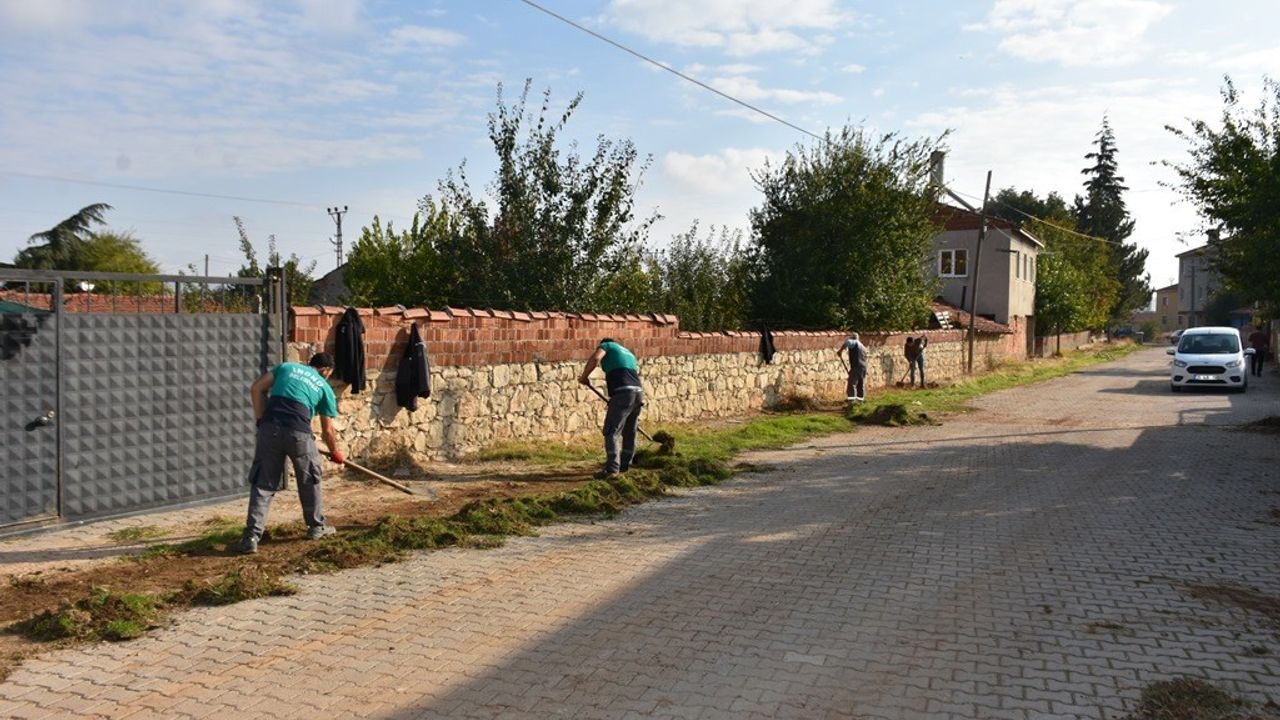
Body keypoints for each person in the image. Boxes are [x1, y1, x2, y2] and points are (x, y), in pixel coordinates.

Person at [238, 352, 345, 554]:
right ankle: (316, 527)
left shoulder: (286, 367)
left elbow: (256, 388)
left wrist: (261, 419)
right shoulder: (324, 387)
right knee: (309, 480)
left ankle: (251, 536)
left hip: (270, 429)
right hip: (300, 434)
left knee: (264, 483)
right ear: (326, 370)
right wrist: (335, 452)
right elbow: (328, 430)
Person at [579, 338, 643, 479]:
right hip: (638, 392)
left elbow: (595, 359)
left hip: (623, 392)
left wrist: (584, 376)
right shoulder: (628, 353)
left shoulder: (606, 345)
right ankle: (625, 465)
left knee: (611, 431)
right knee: (629, 430)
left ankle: (612, 469)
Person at [838, 332, 868, 402]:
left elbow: (847, 342)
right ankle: (860, 401)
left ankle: (852, 402)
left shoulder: (854, 342)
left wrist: (840, 351)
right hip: (863, 367)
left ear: (852, 337)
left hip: (856, 366)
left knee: (852, 384)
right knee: (860, 384)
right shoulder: (862, 346)